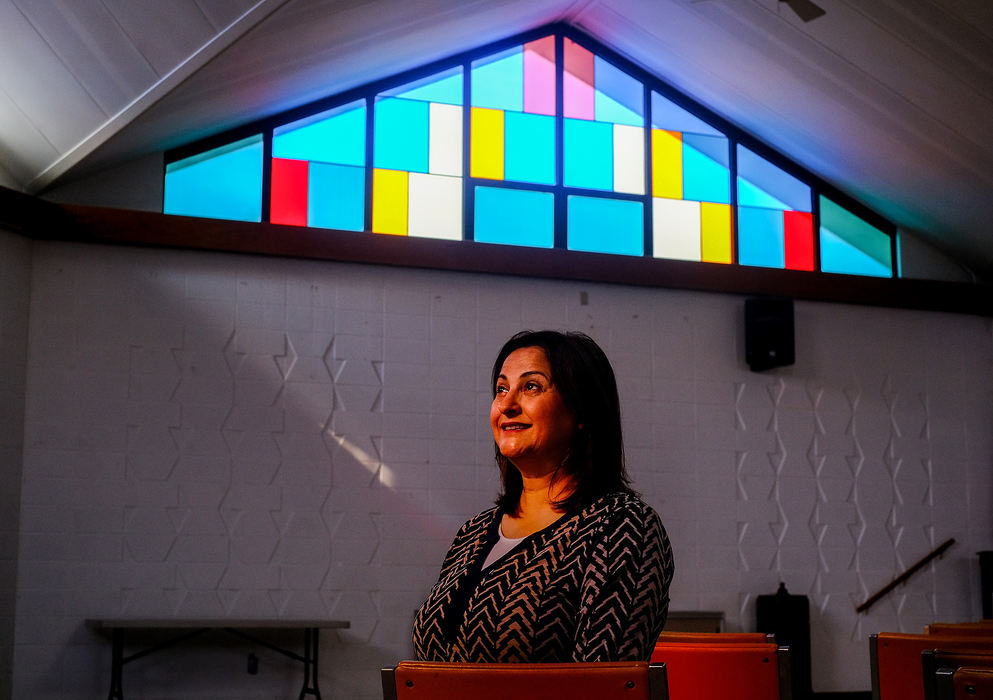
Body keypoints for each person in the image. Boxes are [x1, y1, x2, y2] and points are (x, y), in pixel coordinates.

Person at [412, 330, 674, 662]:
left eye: (531, 386)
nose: (507, 405)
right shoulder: (473, 532)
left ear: (582, 410)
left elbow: (605, 683)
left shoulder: (621, 525)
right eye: (501, 389)